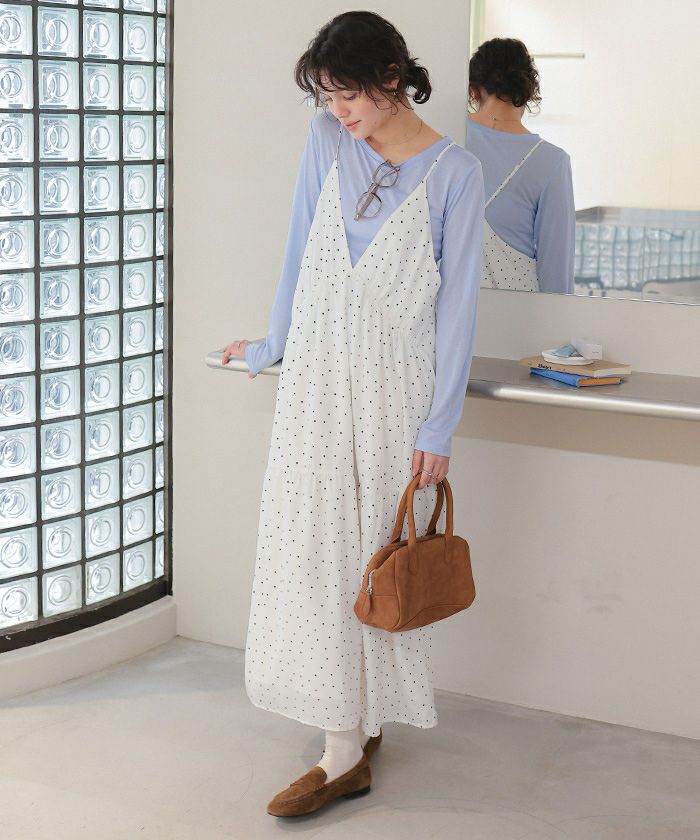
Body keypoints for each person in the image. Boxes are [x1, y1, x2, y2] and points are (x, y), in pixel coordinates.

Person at [221, 11, 484, 818]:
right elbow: (300, 248)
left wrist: (439, 428)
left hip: (394, 394)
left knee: (373, 557)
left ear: (392, 79)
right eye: (328, 96)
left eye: (350, 95)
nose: (339, 111)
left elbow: (458, 310)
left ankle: (350, 745)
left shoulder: (456, 173)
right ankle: (345, 733)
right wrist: (270, 345)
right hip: (315, 381)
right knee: (313, 550)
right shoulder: (326, 142)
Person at [467, 37, 575, 293]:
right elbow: (556, 272)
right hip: (516, 310)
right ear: (528, 91)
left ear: (473, 90)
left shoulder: (443, 138)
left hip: (444, 309)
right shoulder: (551, 161)